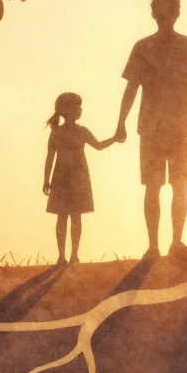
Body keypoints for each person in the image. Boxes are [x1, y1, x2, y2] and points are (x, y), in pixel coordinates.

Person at [113, 0, 187, 257]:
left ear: (177, 15)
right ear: (154, 15)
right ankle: (153, 245)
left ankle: (176, 241)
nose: (165, 19)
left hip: (182, 127)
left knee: (180, 185)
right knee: (152, 186)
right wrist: (121, 122)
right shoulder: (143, 48)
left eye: (169, 13)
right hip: (151, 127)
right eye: (161, 13)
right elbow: (131, 87)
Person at [42, 92, 119, 264]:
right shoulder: (56, 133)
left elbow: (98, 146)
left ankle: (74, 255)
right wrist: (46, 179)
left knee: (76, 217)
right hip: (61, 178)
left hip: (79, 178)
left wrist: (114, 139)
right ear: (68, 110)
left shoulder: (82, 131)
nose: (80, 110)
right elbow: (50, 157)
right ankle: (62, 256)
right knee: (62, 217)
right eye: (77, 107)